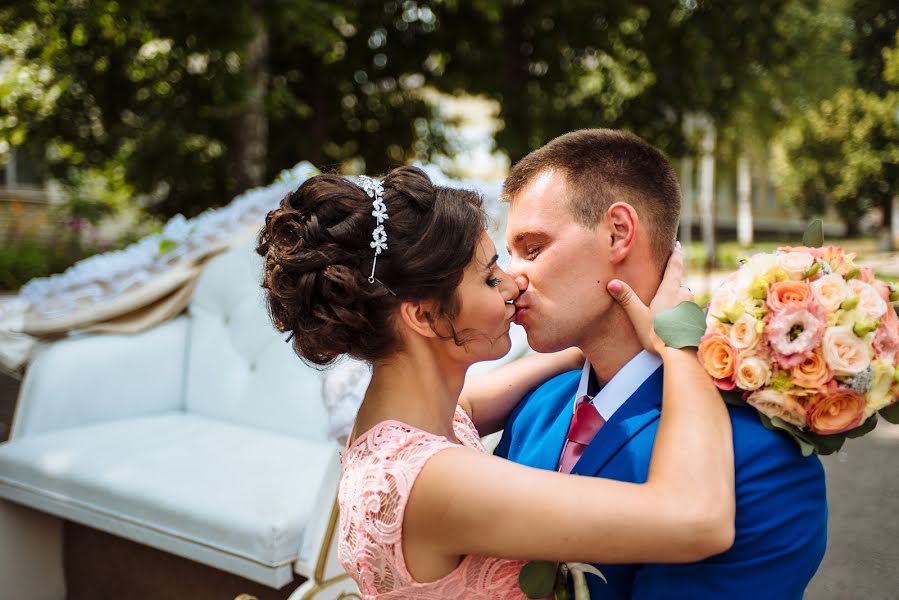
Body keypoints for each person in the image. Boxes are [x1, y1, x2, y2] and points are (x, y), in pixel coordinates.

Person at [256, 165, 734, 600]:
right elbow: (697, 519)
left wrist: (594, 333)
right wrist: (680, 342)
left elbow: (474, 400)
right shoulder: (436, 482)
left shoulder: (401, 421)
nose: (513, 285)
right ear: (423, 315)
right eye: (489, 279)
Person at [496, 129, 828, 599]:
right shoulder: (533, 409)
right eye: (509, 255)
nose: (512, 279)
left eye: (532, 248)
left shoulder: (761, 457)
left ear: (618, 233)